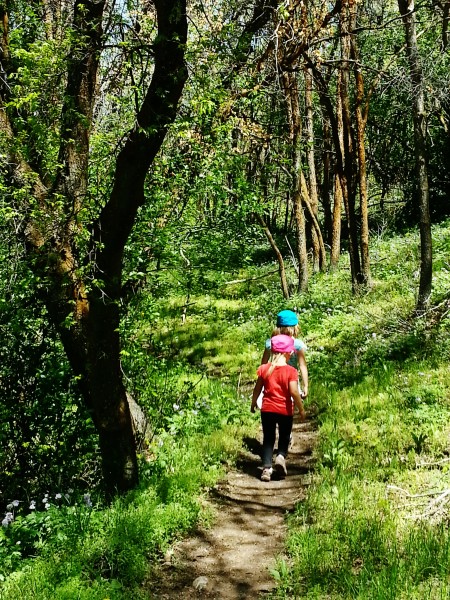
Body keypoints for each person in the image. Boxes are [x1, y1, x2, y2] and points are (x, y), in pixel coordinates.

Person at [251, 334, 306, 482]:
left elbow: (257, 389)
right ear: (287, 353)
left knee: (268, 438)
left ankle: (266, 469)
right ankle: (281, 456)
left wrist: (253, 402)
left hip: (267, 410)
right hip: (285, 410)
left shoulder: (264, 369)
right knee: (283, 436)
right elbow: (294, 391)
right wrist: (300, 408)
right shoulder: (291, 371)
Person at [257, 309, 308, 408]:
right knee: (288, 409)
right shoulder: (297, 344)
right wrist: (305, 385)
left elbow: (263, 364)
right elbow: (302, 366)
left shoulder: (270, 343)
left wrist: (261, 384)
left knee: (273, 405)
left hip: (273, 381)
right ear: (295, 327)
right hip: (291, 381)